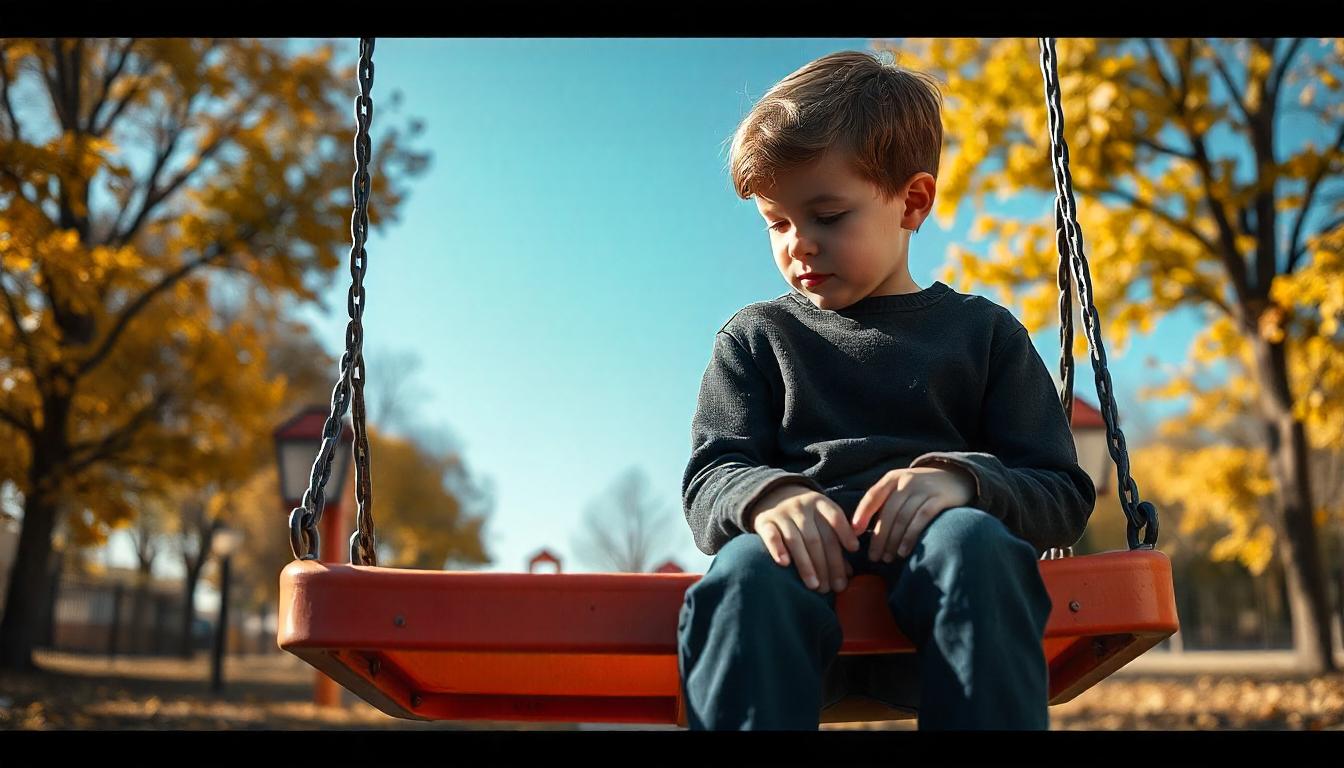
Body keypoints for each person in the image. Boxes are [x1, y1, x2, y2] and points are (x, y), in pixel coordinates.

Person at [676, 50, 1096, 731]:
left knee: (974, 544)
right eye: (777, 223)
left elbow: (1060, 489)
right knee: (749, 569)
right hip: (786, 634)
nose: (799, 245)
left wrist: (967, 484)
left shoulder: (982, 335)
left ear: (913, 201)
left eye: (827, 215)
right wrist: (767, 496)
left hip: (946, 637)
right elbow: (711, 478)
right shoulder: (756, 338)